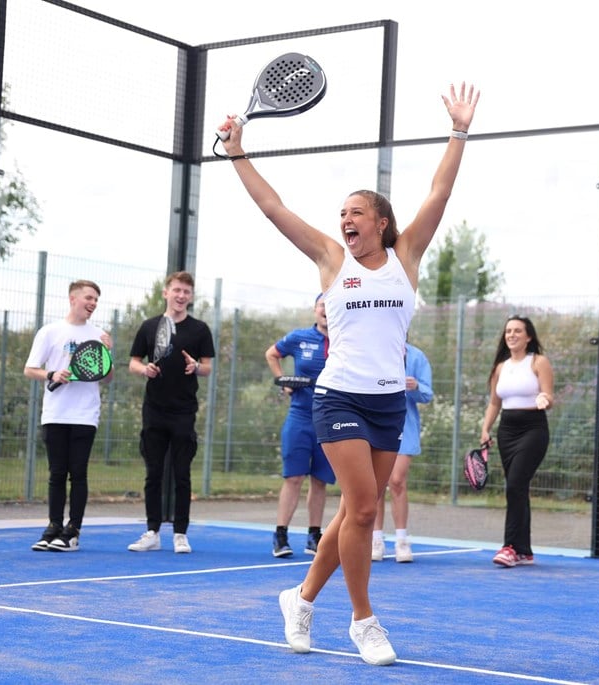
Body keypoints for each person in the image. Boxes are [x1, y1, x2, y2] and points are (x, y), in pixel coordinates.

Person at [218, 81, 478, 666]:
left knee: (354, 511)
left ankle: (302, 598)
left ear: (382, 223)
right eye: (341, 215)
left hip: (387, 404)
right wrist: (237, 152)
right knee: (364, 508)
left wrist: (458, 131)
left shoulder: (405, 258)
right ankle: (364, 621)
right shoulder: (331, 260)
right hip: (337, 398)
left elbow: (440, 190)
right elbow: (273, 206)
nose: (344, 221)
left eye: (355, 213)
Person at [126, 271, 216, 555]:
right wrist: (145, 370)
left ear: (190, 296)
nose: (181, 296)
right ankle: (152, 531)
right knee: (153, 473)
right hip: (154, 410)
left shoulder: (200, 329)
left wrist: (195, 368)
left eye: (186, 292)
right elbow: (133, 362)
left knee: (181, 474)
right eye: (176, 290)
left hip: (184, 412)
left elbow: (208, 367)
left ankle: (180, 533)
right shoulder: (149, 326)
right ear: (166, 293)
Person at [24, 279, 113, 552]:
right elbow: (30, 369)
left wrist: (108, 352)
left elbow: (107, 377)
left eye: (96, 299)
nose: (93, 303)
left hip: (85, 415)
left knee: (78, 473)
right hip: (55, 413)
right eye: (89, 297)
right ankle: (53, 527)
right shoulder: (49, 332)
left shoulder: (99, 335)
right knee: (56, 473)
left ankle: (72, 531)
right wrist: (52, 374)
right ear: (73, 298)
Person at [480, 315, 555, 568]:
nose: (511, 335)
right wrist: (485, 429)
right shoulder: (501, 367)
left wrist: (545, 399)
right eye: (508, 331)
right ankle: (524, 551)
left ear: (529, 336)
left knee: (514, 485)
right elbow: (494, 403)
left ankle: (510, 547)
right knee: (517, 488)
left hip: (533, 429)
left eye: (517, 331)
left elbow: (548, 394)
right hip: (507, 431)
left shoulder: (539, 362)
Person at [265, 293, 333, 558]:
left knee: (320, 481)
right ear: (315, 310)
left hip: (330, 419)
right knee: (293, 477)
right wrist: (283, 381)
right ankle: (280, 535)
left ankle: (313, 536)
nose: (326, 310)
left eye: (331, 306)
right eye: (322, 305)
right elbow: (272, 354)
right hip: (300, 416)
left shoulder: (345, 339)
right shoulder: (299, 337)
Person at [371, 341, 433, 564]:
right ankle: (376, 539)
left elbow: (427, 394)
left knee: (396, 481)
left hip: (404, 428)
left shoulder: (416, 357)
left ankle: (401, 540)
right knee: (376, 485)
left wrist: (416, 387)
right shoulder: (374, 350)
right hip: (376, 424)